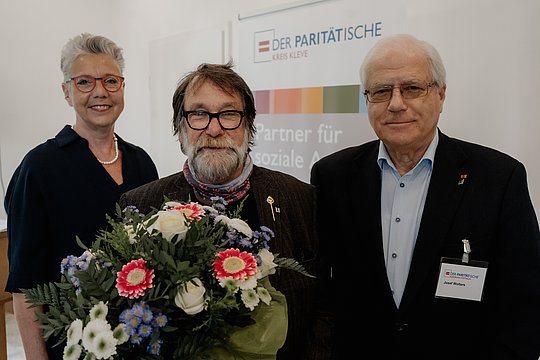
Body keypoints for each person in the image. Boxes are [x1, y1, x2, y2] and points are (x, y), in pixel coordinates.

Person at [310, 34, 540, 359]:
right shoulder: (332, 176)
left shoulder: (499, 178)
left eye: (412, 88)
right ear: (367, 100)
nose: (396, 103)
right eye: (381, 91)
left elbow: (523, 308)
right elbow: (322, 293)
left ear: (441, 94)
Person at [118, 61, 318, 359]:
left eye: (228, 114)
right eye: (198, 114)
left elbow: (325, 308)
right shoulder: (139, 206)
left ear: (248, 126)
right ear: (179, 127)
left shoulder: (299, 198)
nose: (214, 128)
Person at [4, 33, 159, 359]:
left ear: (122, 87)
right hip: (73, 347)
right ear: (67, 91)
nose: (100, 92)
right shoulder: (40, 168)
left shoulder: (141, 162)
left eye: (111, 81)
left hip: (141, 339)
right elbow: (25, 287)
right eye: (85, 82)